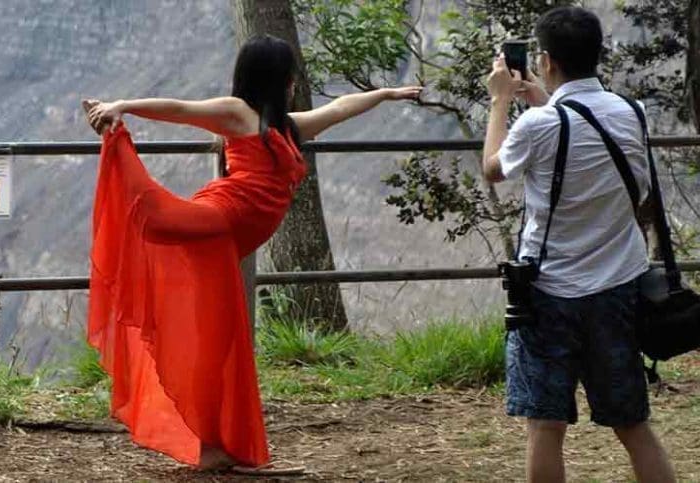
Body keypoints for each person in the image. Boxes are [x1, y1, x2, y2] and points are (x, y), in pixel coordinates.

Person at [82, 34, 421, 476]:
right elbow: (181, 110)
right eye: (290, 76)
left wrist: (387, 93)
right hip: (215, 223)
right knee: (154, 223)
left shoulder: (289, 128)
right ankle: (216, 446)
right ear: (278, 80)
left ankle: (213, 446)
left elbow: (341, 109)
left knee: (218, 341)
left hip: (224, 240)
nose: (294, 84)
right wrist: (122, 106)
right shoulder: (238, 115)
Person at [482, 7, 676, 483]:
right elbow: (591, 135)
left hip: (548, 293)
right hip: (618, 289)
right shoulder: (633, 112)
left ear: (545, 60)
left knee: (545, 426)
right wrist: (541, 97)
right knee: (633, 424)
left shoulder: (538, 125)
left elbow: (493, 168)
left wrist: (500, 101)